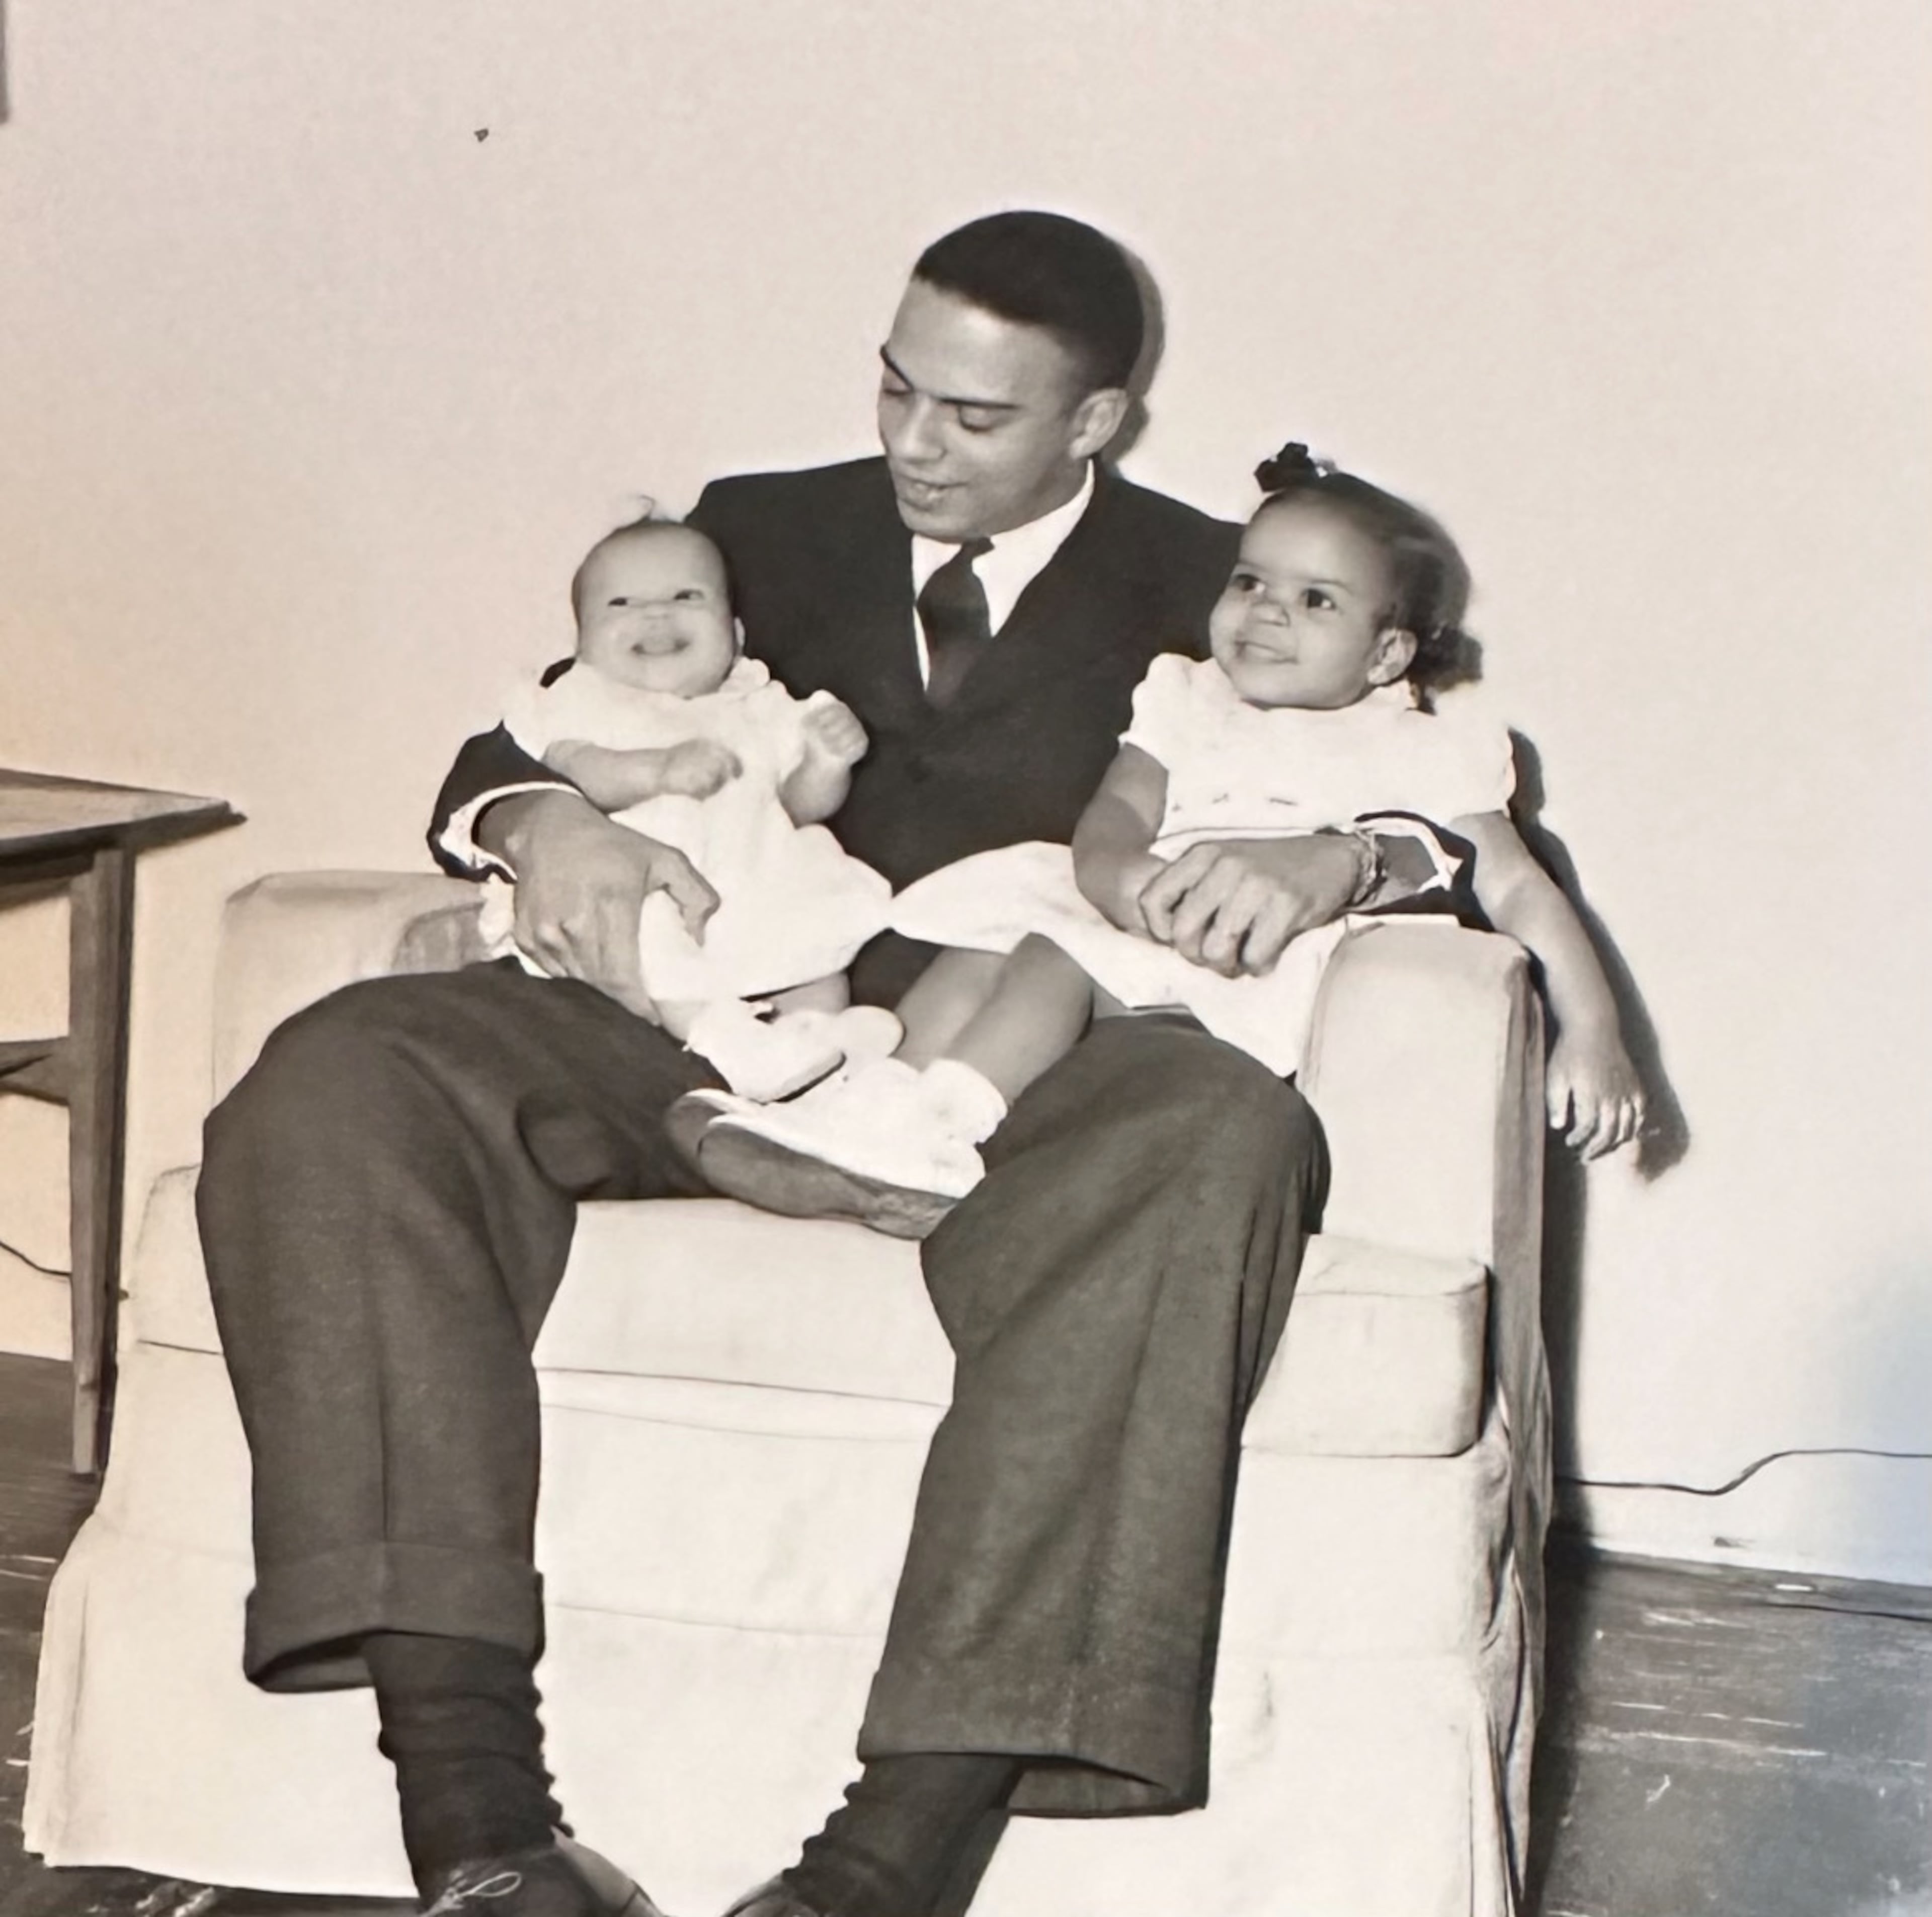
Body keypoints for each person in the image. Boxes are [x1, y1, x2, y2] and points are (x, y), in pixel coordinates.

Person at [197, 211, 1461, 1917]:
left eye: (974, 418)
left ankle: (880, 1875)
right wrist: (544, 815)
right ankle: (483, 1833)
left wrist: (1353, 861)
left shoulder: (1219, 575)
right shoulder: (753, 530)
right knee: (344, 1070)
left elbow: (1456, 793)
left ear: (1094, 423)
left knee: (1221, 1130)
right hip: (717, 1005)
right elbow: (518, 736)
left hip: (1025, 1037)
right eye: (895, 390)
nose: (913, 445)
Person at [683, 446, 1646, 1231]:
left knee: (1052, 960)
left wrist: (1594, 1034)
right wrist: (1117, 877)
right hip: (1135, 918)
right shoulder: (1186, 697)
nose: (1267, 611)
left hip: (1249, 962)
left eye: (1317, 601)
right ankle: (869, 1110)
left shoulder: (1418, 746)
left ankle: (940, 1140)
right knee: (979, 951)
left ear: (1389, 652)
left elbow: (1520, 890)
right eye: (1251, 581)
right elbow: (1116, 812)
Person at [479, 515, 898, 1099]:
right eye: (621, 603)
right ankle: (721, 1039)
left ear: (737, 633)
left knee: (815, 944)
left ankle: (823, 1051)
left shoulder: (759, 704)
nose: (655, 614)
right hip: (646, 886)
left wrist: (826, 764)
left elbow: (799, 809)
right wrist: (657, 770)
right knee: (648, 932)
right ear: (582, 644)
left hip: (755, 882)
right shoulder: (585, 698)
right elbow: (574, 768)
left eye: (685, 596)